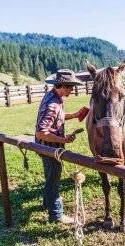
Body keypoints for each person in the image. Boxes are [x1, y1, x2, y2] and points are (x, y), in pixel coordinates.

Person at [35, 69, 85, 224]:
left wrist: (75, 115)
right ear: (64, 85)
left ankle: (47, 203)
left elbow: (58, 117)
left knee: (50, 177)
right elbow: (41, 132)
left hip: (47, 147)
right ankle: (56, 214)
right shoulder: (53, 104)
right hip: (49, 149)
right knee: (54, 179)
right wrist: (64, 140)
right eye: (71, 87)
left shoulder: (53, 96)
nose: (72, 90)